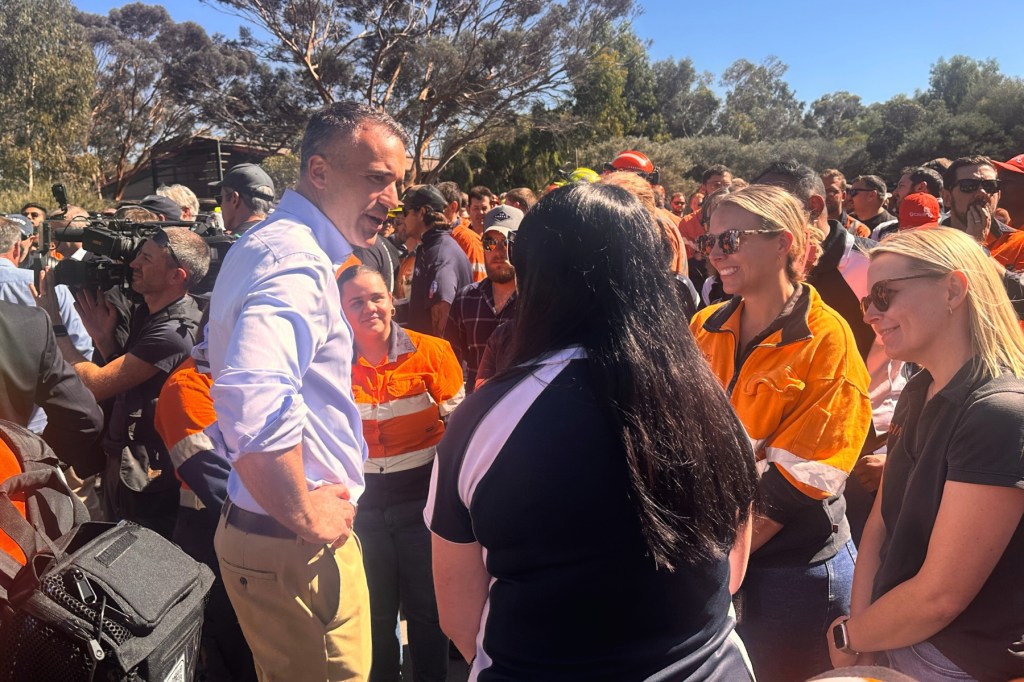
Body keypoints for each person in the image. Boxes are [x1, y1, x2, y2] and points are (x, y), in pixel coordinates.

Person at [427, 182, 759, 680]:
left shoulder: (483, 421)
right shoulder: (711, 401)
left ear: (535, 274)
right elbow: (731, 571)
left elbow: (458, 617)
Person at [206, 101, 407, 681]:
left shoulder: (274, 244)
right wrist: (305, 513)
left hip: (279, 537)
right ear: (318, 172)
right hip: (296, 545)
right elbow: (253, 392)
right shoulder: (297, 260)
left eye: (395, 183)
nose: (392, 199)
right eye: (376, 179)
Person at [690, 185, 872, 682]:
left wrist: (721, 560)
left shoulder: (828, 338)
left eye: (731, 240)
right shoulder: (704, 326)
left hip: (795, 569)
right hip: (717, 556)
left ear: (782, 243)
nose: (716, 255)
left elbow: (803, 474)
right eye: (709, 243)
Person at [831, 228, 1024, 681]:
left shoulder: (999, 412)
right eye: (867, 301)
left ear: (953, 289)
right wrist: (863, 641)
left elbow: (939, 597)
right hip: (895, 636)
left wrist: (851, 637)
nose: (871, 315)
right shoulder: (920, 388)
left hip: (956, 659)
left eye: (884, 294)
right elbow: (880, 526)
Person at [37, 227, 208, 538]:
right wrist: (105, 340)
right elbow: (136, 385)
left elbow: (93, 384)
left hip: (147, 478)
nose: (133, 265)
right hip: (129, 464)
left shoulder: (172, 332)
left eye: (146, 258)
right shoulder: (152, 313)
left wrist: (53, 323)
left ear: (176, 276)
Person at [339, 265, 464, 682]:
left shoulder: (434, 353)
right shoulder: (330, 364)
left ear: (392, 299)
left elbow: (459, 433)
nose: (369, 308)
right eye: (355, 301)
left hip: (421, 505)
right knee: (373, 614)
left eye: (376, 297)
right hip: (362, 509)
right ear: (340, 310)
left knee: (428, 611)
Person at [444, 205, 521, 392]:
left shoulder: (537, 302)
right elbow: (451, 360)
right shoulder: (466, 299)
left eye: (507, 242)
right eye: (490, 242)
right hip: (477, 411)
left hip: (522, 410)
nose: (498, 251)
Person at [405, 184, 472, 337]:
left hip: (437, 356)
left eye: (406, 212)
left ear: (422, 213)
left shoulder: (439, 253)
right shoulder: (432, 247)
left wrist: (437, 358)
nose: (403, 219)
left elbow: (443, 309)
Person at [210, 162, 276, 235]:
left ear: (234, 199)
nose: (221, 206)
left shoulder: (231, 245)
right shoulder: (280, 236)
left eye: (220, 199)